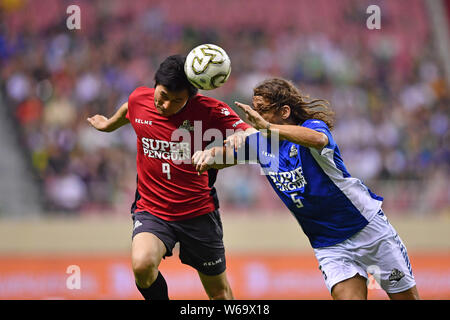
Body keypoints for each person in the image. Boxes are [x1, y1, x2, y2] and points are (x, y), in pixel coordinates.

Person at [192, 78, 420, 300]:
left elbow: (319, 140)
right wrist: (207, 155)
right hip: (328, 245)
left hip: (368, 230)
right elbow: (224, 156)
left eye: (262, 109)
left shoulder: (311, 128)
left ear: (284, 112)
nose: (255, 115)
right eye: (254, 109)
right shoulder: (261, 144)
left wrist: (268, 128)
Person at [87, 55, 253, 300]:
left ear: (190, 97)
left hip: (198, 213)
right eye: (162, 96)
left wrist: (242, 138)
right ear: (155, 85)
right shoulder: (138, 99)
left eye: (177, 101)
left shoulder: (209, 110)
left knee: (219, 293)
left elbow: (254, 137)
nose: (165, 105)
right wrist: (108, 124)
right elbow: (128, 110)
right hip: (153, 210)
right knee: (142, 265)